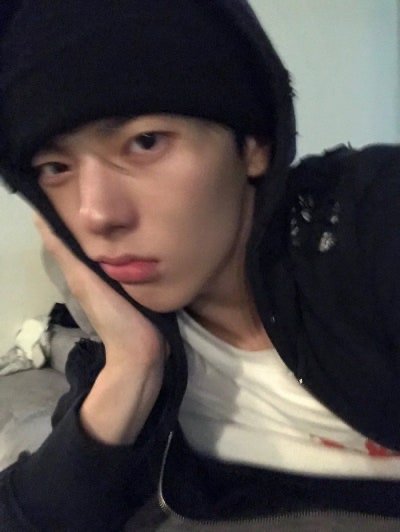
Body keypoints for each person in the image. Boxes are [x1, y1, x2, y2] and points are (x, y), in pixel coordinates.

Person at [0, 1, 399, 530]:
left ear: (253, 144)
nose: (95, 214)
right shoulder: (125, 333)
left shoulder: (369, 218)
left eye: (145, 142)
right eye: (55, 167)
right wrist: (132, 365)